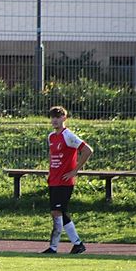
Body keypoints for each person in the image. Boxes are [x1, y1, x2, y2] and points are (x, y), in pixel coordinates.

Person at [41, 105, 92, 254]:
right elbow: (52, 155)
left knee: (57, 212)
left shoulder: (68, 135)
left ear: (64, 118)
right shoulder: (51, 136)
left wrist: (75, 171)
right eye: (53, 117)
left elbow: (87, 150)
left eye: (58, 117)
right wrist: (50, 173)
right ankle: (75, 245)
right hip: (54, 179)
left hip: (64, 180)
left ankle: (56, 247)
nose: (55, 120)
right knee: (59, 212)